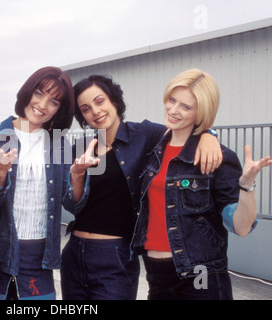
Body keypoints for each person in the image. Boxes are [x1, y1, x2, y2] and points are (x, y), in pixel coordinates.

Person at [60, 75, 223, 300]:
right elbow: (72, 205)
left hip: (115, 256)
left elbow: (184, 132)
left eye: (100, 101)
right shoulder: (83, 146)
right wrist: (77, 175)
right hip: (74, 253)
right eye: (86, 109)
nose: (95, 112)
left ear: (114, 101)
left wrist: (208, 134)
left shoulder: (145, 134)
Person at [131, 68, 272, 300]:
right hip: (156, 275)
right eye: (172, 100)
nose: (173, 110)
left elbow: (241, 227)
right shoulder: (153, 149)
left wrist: (247, 185)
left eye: (186, 107)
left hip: (200, 276)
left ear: (202, 113)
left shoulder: (217, 157)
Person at [0, 66, 94, 300]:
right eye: (39, 93)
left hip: (41, 257)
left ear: (60, 109)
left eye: (54, 102)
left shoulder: (59, 143)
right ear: (27, 92)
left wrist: (78, 174)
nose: (42, 105)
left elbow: (73, 206)